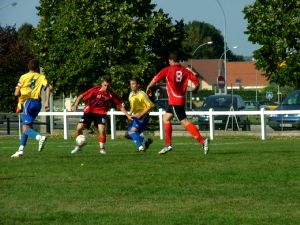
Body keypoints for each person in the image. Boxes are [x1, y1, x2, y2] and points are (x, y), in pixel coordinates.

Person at [146, 51, 209, 155]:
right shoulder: (185, 71)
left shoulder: (167, 70)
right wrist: (194, 90)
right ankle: (168, 145)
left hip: (175, 101)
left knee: (184, 122)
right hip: (179, 100)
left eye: (169, 60)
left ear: (171, 60)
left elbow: (155, 78)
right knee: (165, 118)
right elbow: (196, 81)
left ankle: (202, 141)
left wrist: (148, 87)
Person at [71, 76, 132, 155]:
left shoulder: (111, 94)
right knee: (79, 128)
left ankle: (102, 148)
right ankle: (79, 146)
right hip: (89, 111)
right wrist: (75, 105)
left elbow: (120, 105)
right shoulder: (95, 90)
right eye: (104, 85)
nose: (106, 87)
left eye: (108, 86)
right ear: (101, 84)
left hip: (101, 113)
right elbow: (81, 96)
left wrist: (127, 115)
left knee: (102, 130)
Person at [11, 59, 50, 158]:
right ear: (37, 68)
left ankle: (39, 137)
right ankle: (20, 150)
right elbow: (48, 88)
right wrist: (46, 102)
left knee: (26, 128)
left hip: (27, 103)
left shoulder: (23, 77)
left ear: (28, 67)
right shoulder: (41, 77)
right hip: (37, 103)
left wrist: (19, 93)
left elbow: (16, 93)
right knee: (25, 127)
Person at [127, 77, 154, 152]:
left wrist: (141, 114)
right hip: (136, 116)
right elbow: (133, 106)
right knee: (128, 134)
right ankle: (146, 140)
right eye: (131, 84)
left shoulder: (142, 94)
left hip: (143, 116)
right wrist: (129, 115)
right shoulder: (131, 95)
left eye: (133, 84)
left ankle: (140, 147)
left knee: (132, 132)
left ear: (138, 85)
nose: (132, 86)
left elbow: (151, 105)